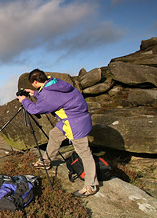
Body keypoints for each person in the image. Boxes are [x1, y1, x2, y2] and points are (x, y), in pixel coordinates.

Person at [17, 69, 98, 198]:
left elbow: (35, 109)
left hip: (75, 124)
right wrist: (35, 94)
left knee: (84, 153)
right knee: (55, 134)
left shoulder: (49, 94)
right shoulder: (54, 83)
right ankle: (46, 161)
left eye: (32, 84)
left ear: (36, 81)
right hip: (73, 118)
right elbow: (56, 98)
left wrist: (24, 100)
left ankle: (91, 185)